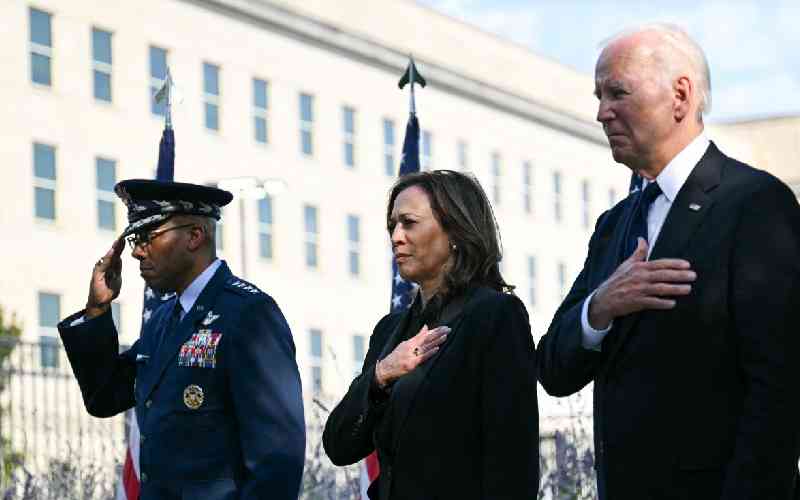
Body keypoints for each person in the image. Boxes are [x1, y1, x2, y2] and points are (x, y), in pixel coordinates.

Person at [536, 24, 800, 500]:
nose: (601, 112)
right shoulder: (615, 225)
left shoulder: (756, 204)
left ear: (680, 95)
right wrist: (600, 308)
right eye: (598, 96)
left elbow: (779, 391)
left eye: (617, 92)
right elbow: (554, 368)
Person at [57, 179, 306, 500]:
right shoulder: (163, 318)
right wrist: (97, 310)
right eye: (135, 238)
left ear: (194, 236)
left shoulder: (248, 313)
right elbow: (106, 397)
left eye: (149, 236)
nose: (135, 251)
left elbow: (277, 459)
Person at [323, 170, 539, 500]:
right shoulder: (388, 331)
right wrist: (381, 375)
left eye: (409, 223)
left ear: (455, 230)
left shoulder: (495, 315)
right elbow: (340, 446)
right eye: (392, 225)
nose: (396, 236)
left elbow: (512, 462)